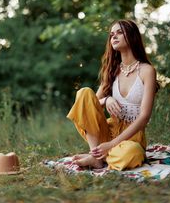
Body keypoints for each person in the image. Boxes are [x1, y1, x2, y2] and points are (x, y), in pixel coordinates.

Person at [67, 19, 157, 171]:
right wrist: (107, 99)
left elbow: (144, 117)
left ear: (132, 36)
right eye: (111, 34)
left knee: (132, 153)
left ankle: (99, 156)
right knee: (84, 93)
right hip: (108, 131)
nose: (114, 37)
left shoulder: (147, 71)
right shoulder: (112, 71)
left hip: (131, 138)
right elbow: (91, 104)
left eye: (119, 33)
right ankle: (97, 156)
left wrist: (111, 145)